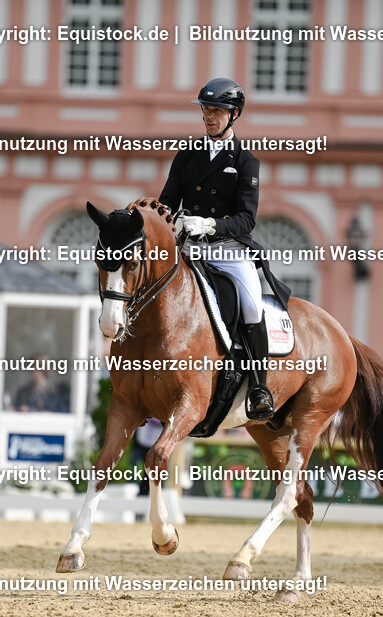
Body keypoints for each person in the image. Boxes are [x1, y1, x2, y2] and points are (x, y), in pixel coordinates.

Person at [158, 77, 291, 422]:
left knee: (250, 305)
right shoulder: (187, 156)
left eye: (217, 111)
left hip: (228, 250)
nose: (209, 117)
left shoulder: (246, 163)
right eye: (206, 110)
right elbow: (168, 202)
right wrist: (164, 218)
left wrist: (212, 225)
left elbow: (247, 219)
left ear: (234, 115)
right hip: (189, 248)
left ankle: (260, 387)